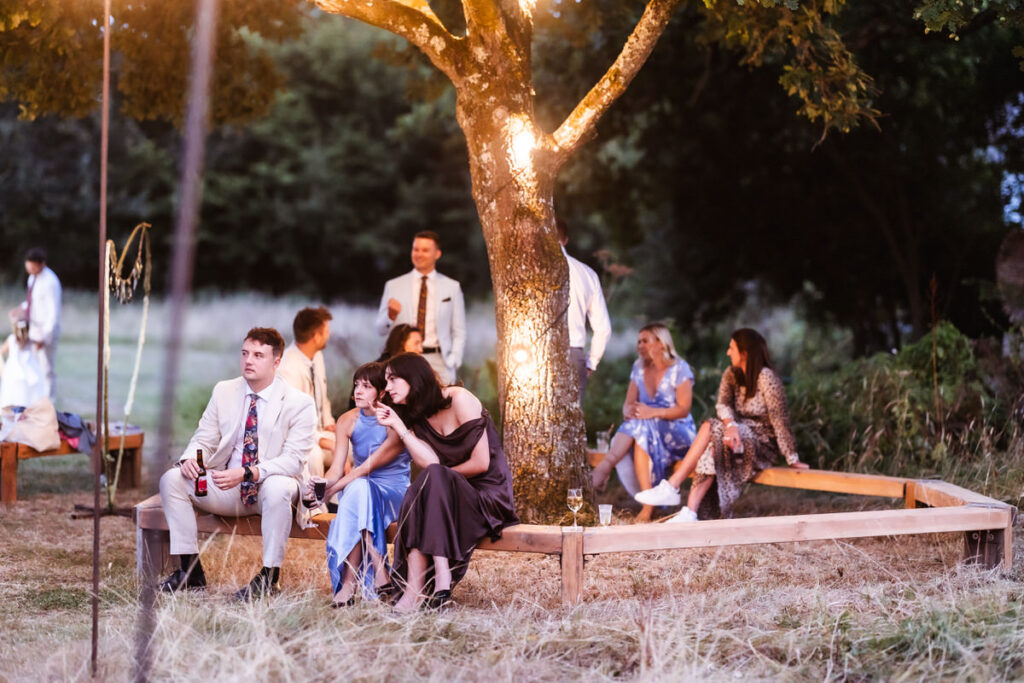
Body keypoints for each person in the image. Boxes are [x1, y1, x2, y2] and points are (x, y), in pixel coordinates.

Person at [157, 328, 316, 600]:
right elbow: (204, 440)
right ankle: (190, 571)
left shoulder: (299, 403)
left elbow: (292, 461)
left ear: (276, 362)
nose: (248, 361)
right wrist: (190, 460)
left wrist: (247, 473)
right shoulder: (224, 391)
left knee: (279, 486)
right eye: (244, 353)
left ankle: (269, 577)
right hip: (225, 487)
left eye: (258, 355)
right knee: (171, 479)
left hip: (268, 491)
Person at [374, 353, 518, 612]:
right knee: (419, 489)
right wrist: (400, 427)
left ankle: (435, 579)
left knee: (433, 479)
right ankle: (416, 591)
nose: (387, 387)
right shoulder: (415, 416)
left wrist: (441, 480)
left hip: (486, 496)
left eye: (393, 379)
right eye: (386, 381)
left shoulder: (459, 399)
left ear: (414, 378)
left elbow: (481, 463)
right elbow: (428, 463)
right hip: (445, 497)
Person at [634, 328, 809, 521]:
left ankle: (672, 487)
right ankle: (690, 512)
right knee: (711, 447)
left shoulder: (767, 378)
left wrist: (792, 457)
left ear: (745, 353)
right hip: (732, 438)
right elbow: (723, 404)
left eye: (731, 348)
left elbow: (780, 419)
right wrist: (731, 425)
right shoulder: (731, 374)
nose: (728, 352)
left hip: (760, 444)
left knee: (711, 426)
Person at [319, 362, 410, 606]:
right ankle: (378, 569)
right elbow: (337, 469)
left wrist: (331, 492)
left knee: (358, 489)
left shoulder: (393, 421)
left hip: (393, 491)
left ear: (381, 393)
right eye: (357, 385)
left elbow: (365, 468)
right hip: (361, 489)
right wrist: (320, 485)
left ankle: (349, 584)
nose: (358, 391)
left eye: (367, 386)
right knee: (359, 490)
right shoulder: (347, 420)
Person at [589, 323, 697, 522]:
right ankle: (648, 505)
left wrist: (652, 412)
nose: (639, 345)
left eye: (644, 341)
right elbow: (628, 404)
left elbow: (684, 410)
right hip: (644, 429)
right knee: (642, 429)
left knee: (642, 427)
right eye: (638, 341)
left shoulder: (679, 368)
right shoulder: (638, 367)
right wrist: (629, 411)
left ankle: (605, 468)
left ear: (660, 342)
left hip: (679, 430)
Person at [375, 231, 466, 385]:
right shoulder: (394, 286)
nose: (419, 254)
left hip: (439, 360)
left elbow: (459, 330)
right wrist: (390, 316)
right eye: (415, 249)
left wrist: (453, 360)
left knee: (440, 406)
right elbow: (380, 329)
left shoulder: (452, 287)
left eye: (425, 250)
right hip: (403, 360)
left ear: (437, 254)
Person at [277, 306, 336, 477]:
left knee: (360, 445)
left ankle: (337, 500)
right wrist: (324, 441)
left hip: (319, 431)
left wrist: (329, 424)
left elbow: (323, 399)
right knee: (314, 456)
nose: (329, 334)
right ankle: (313, 501)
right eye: (327, 330)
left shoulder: (317, 356)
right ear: (316, 337)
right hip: (297, 438)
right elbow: (293, 423)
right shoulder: (287, 368)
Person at [557, 219, 611, 401]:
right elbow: (603, 329)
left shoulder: (529, 270)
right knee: (571, 422)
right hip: (574, 354)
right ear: (565, 240)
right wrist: (591, 362)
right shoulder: (587, 274)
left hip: (532, 355)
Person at [10, 247, 61, 402]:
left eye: (33, 267)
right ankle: (36, 402)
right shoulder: (32, 278)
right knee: (33, 367)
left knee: (46, 369)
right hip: (34, 327)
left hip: (47, 330)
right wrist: (21, 309)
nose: (30, 269)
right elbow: (33, 302)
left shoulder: (51, 282)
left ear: (42, 264)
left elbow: (53, 313)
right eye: (28, 266)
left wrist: (44, 338)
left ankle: (49, 403)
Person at [0, 315, 47, 408]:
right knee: (15, 396)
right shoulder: (12, 340)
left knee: (29, 397)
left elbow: (41, 343)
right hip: (15, 373)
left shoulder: (30, 340)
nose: (22, 335)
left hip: (29, 373)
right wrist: (2, 368)